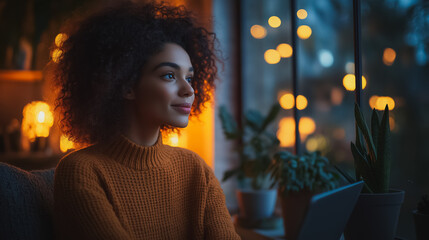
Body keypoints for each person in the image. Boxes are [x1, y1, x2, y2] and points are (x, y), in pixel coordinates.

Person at [49, 1, 241, 239]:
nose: (189, 91)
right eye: (169, 75)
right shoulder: (81, 171)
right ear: (126, 84)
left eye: (190, 78)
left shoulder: (196, 170)